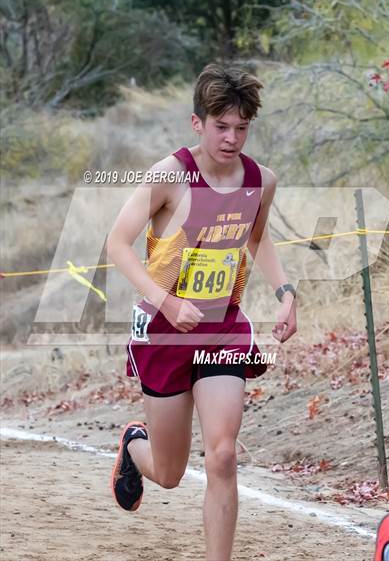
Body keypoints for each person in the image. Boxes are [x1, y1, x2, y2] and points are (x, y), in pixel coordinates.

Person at [107, 63, 297, 561]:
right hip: (166, 331)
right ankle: (133, 445)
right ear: (198, 123)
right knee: (169, 474)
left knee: (224, 454)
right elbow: (118, 244)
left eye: (241, 128)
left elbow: (257, 238)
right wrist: (167, 299)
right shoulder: (170, 176)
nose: (231, 138)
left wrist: (285, 292)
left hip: (221, 330)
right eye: (221, 126)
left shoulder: (261, 181)